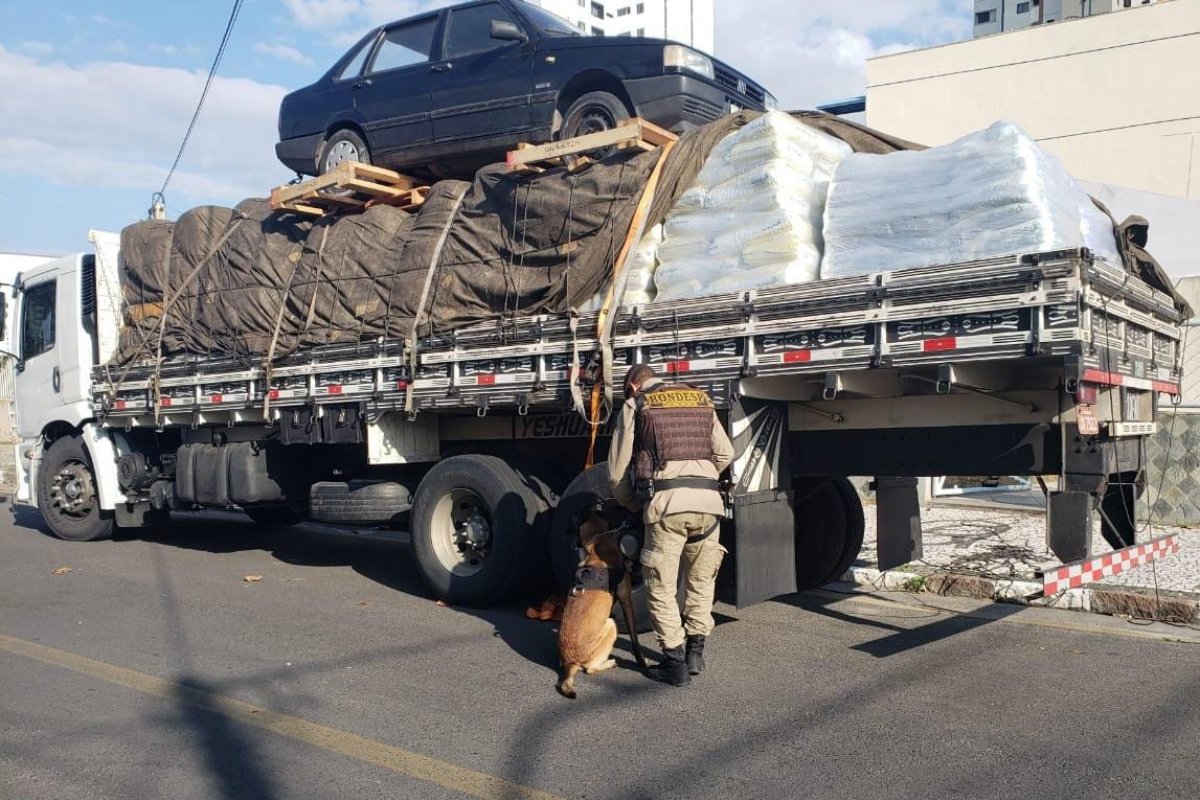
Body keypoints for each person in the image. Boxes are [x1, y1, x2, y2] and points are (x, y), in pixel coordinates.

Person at [607, 363, 734, 687]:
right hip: (709, 505)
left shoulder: (637, 405)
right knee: (701, 581)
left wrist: (636, 504)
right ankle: (695, 653)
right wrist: (700, 480)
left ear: (633, 387)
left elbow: (617, 474)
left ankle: (674, 662)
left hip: (667, 508)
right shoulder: (700, 399)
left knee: (661, 585)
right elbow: (725, 454)